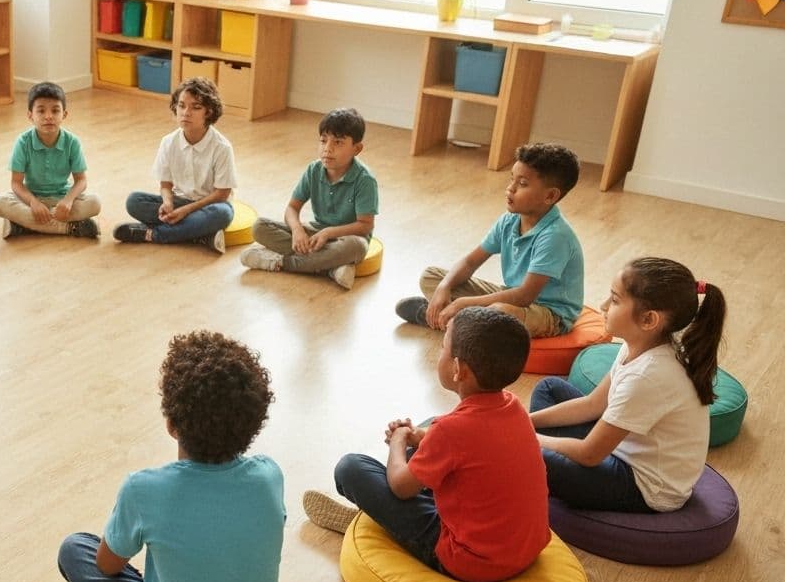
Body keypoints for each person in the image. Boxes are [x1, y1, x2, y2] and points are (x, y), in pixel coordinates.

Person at [57, 330, 289, 582]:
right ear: (251, 426)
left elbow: (106, 565)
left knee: (74, 549)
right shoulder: (269, 476)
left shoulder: (144, 489)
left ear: (171, 423)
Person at [304, 308, 549, 582]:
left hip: (471, 562)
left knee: (351, 468)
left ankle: (385, 527)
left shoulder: (450, 430)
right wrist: (423, 438)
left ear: (458, 370)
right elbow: (478, 451)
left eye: (443, 346)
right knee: (425, 440)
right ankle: (383, 515)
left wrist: (397, 442)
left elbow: (401, 486)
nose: (439, 352)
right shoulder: (513, 406)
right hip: (525, 550)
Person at [529, 257, 726, 512]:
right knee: (549, 388)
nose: (602, 305)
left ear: (648, 320)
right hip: (622, 449)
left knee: (525, 452)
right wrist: (526, 421)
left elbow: (590, 454)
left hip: (643, 486)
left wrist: (529, 438)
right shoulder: (637, 345)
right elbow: (593, 404)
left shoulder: (648, 377)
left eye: (614, 300)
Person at [395, 143, 583, 337]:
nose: (511, 188)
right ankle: (454, 319)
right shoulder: (509, 221)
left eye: (523, 184)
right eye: (512, 179)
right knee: (431, 276)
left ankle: (443, 318)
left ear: (550, 196)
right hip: (512, 296)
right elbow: (470, 262)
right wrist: (444, 287)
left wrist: (462, 302)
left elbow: (525, 296)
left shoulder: (555, 237)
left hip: (549, 314)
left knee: (499, 311)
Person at [240, 108, 378, 290]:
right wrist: (297, 230)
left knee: (356, 247)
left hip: (346, 238)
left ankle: (281, 262)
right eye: (323, 141)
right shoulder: (314, 170)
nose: (327, 148)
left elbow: (365, 225)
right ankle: (330, 269)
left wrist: (328, 233)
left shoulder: (365, 180)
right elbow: (292, 208)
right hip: (315, 234)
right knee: (260, 226)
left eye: (338, 142)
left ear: (357, 149)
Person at [115, 77, 236, 254]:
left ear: (208, 112)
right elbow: (165, 184)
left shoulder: (222, 147)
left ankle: (153, 234)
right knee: (134, 201)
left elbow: (222, 193)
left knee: (223, 214)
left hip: (208, 206)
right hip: (180, 202)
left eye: (195, 107)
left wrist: (186, 211)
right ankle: (200, 236)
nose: (186, 112)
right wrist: (168, 202)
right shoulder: (168, 142)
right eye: (181, 106)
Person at [0, 81, 101, 238]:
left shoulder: (72, 142)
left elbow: (81, 180)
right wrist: (33, 203)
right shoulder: (23, 142)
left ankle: (25, 226)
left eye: (55, 111)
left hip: (62, 199)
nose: (48, 116)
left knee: (95, 203)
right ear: (30, 115)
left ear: (64, 115)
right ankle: (67, 228)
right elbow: (16, 183)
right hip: (31, 198)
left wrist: (68, 201)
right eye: (41, 111)